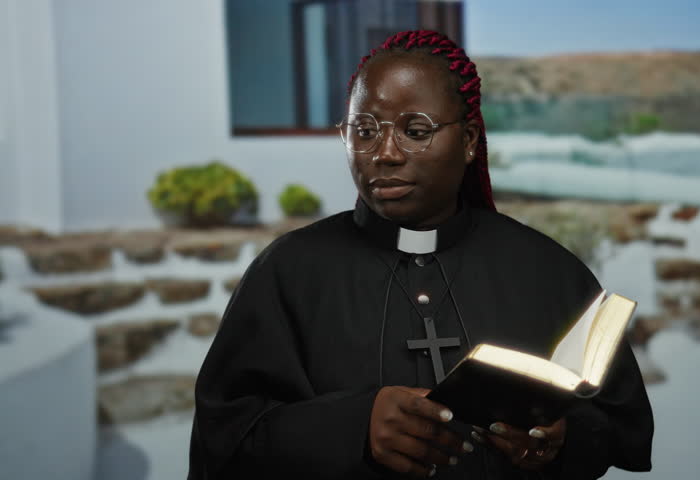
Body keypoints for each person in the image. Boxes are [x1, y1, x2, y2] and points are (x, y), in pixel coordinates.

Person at [189, 30, 653, 479]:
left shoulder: (545, 268)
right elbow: (223, 442)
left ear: (468, 140)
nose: (385, 153)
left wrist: (560, 440)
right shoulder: (288, 272)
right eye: (364, 130)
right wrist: (354, 428)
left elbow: (619, 424)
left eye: (415, 131)